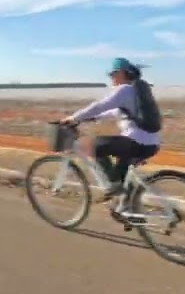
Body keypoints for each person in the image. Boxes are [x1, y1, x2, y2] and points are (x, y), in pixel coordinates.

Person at [60, 57, 161, 205]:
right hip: (150, 143)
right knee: (122, 174)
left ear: (121, 73)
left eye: (112, 74)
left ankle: (112, 186)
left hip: (137, 142)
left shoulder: (124, 89)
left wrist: (74, 118)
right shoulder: (133, 90)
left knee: (95, 146)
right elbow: (115, 112)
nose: (111, 77)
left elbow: (100, 105)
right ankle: (128, 206)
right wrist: (91, 118)